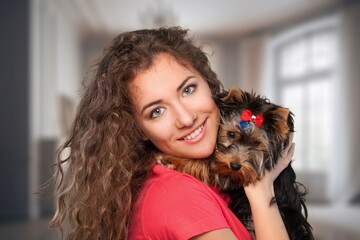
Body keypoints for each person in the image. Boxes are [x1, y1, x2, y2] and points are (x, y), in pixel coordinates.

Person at [49, 26, 295, 240]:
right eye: (156, 111)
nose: (186, 118)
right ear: (138, 130)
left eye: (188, 89)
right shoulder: (177, 197)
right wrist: (263, 195)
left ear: (208, 85)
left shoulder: (188, 176)